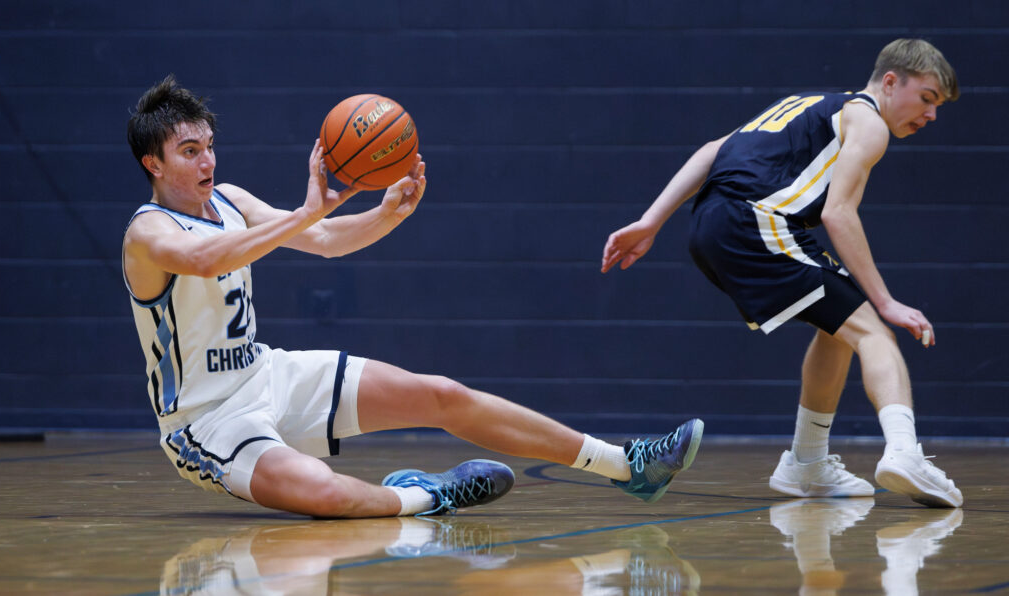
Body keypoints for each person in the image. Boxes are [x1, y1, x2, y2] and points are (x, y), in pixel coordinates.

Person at [122, 74, 703, 518]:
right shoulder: (147, 233)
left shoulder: (231, 199)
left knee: (441, 394)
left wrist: (386, 214)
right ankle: (422, 497)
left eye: (209, 146)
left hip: (266, 375)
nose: (208, 160)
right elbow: (206, 260)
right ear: (154, 163)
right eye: (190, 152)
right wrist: (304, 213)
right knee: (325, 497)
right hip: (206, 420)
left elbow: (322, 239)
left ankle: (628, 465)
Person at [601, 39, 962, 508]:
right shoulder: (870, 123)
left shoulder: (807, 103)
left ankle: (806, 463)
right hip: (757, 222)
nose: (930, 115)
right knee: (876, 334)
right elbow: (839, 214)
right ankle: (904, 453)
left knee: (840, 330)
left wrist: (653, 220)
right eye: (927, 99)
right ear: (891, 82)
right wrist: (887, 302)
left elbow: (713, 150)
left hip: (713, 224)